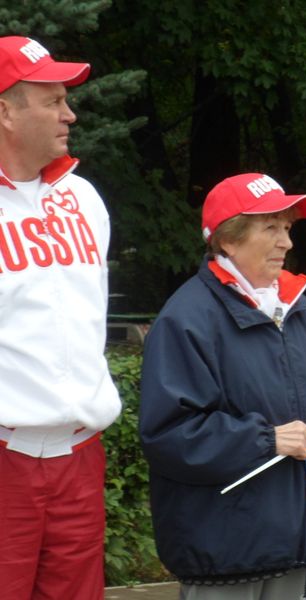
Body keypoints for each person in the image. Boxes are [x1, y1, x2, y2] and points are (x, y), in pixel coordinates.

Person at [139, 173, 306, 599]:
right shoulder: (186, 318)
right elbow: (168, 435)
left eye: (287, 227)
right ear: (228, 240)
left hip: (294, 544)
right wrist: (266, 440)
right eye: (270, 227)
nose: (286, 242)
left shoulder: (300, 309)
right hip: (223, 551)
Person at [0, 36, 121, 600]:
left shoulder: (85, 199)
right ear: (6, 111)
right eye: (53, 101)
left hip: (80, 456)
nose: (69, 114)